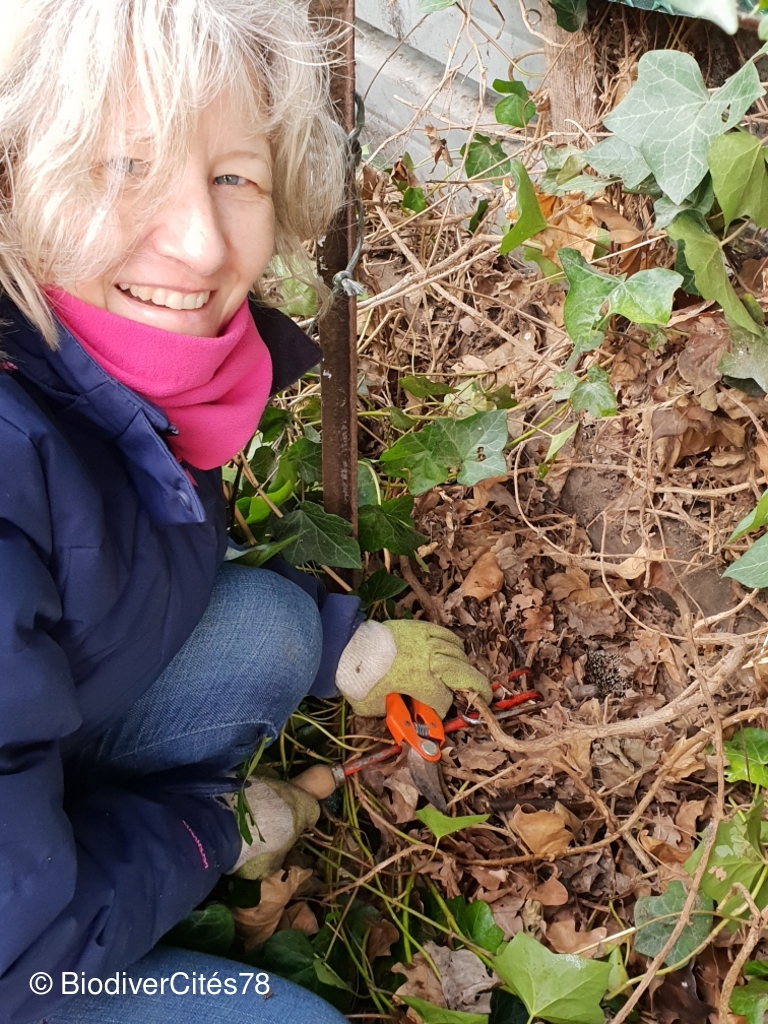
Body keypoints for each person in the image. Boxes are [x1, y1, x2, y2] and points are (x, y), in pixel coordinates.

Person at [0, 2, 494, 1023]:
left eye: (233, 177)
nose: (199, 243)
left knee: (270, 626)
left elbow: (116, 563)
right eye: (123, 166)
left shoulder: (107, 368)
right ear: (14, 177)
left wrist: (340, 647)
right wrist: (205, 835)